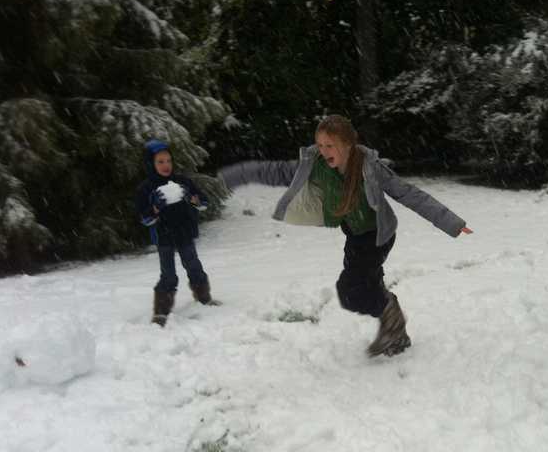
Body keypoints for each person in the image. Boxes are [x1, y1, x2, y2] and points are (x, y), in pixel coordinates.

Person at [220, 115, 473, 356]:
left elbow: (408, 193)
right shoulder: (314, 166)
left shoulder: (370, 168)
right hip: (354, 235)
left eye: (330, 145)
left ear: (348, 145)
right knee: (367, 284)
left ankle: (390, 312)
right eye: (320, 144)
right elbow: (271, 171)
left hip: (377, 236)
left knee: (349, 291)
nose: (323, 150)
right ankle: (396, 333)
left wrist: (450, 222)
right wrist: (231, 177)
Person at [136, 139, 219, 327]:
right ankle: (161, 312)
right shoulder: (146, 189)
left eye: (168, 161)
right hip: (164, 237)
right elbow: (144, 219)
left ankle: (204, 299)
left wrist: (193, 199)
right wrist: (155, 208)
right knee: (168, 275)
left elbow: (204, 203)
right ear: (151, 164)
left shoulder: (183, 182)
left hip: (185, 233)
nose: (166, 165)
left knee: (194, 266)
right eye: (160, 162)